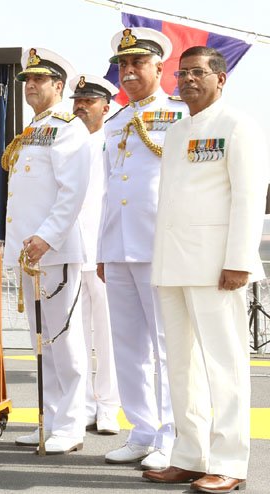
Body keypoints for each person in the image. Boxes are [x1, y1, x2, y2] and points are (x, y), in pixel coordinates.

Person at [143, 46, 267, 493]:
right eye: (182, 73)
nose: (188, 80)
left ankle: (230, 462)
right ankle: (190, 456)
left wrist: (239, 261)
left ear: (221, 78)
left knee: (224, 366)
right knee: (181, 366)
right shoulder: (177, 132)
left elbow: (248, 198)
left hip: (217, 266)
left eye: (198, 72)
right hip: (173, 264)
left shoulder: (237, 125)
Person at [97, 27, 187, 470]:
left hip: (159, 245)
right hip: (118, 245)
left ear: (159, 67)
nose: (128, 71)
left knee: (168, 347)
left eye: (138, 62)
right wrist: (102, 248)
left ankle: (171, 436)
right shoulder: (114, 121)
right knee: (127, 347)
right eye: (123, 64)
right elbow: (109, 189)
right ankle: (142, 430)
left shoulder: (180, 115)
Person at [3, 47, 92, 454]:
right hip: (30, 253)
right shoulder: (31, 130)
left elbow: (72, 192)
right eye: (28, 80)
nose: (31, 85)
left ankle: (71, 426)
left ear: (59, 85)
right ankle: (50, 420)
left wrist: (47, 237)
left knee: (65, 341)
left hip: (52, 251)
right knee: (42, 342)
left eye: (39, 79)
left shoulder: (68, 129)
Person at [67, 73, 121, 436]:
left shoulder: (116, 141)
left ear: (106, 106)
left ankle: (108, 406)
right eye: (77, 101)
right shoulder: (65, 141)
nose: (81, 106)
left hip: (104, 251)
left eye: (89, 101)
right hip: (71, 250)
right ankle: (83, 404)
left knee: (108, 335)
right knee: (75, 337)